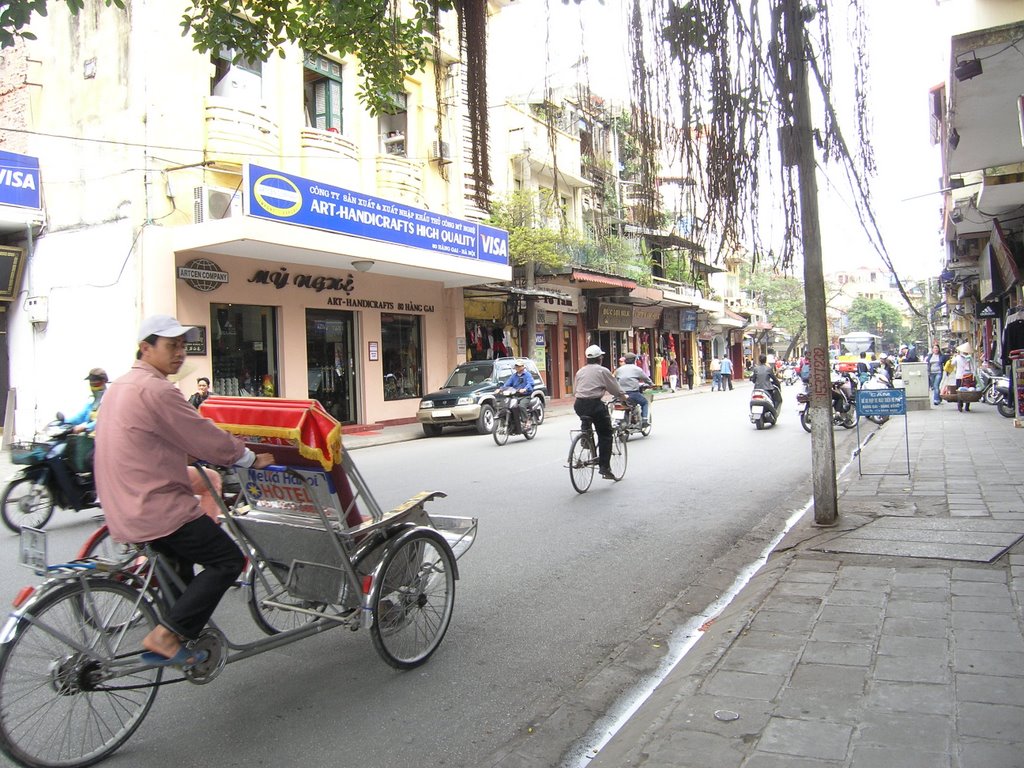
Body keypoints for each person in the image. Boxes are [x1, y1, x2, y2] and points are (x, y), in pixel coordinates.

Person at [95, 315, 275, 667]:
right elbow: (200, 432)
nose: (179, 352)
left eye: (181, 345)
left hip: (123, 504)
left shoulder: (121, 386)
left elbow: (156, 439)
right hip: (153, 506)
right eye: (170, 345)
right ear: (146, 348)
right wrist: (249, 458)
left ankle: (176, 638)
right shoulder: (156, 389)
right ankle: (166, 635)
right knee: (227, 560)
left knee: (179, 567)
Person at [573, 345, 628, 480]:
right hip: (595, 404)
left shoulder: (580, 371)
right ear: (600, 358)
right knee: (605, 434)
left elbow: (575, 390)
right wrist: (624, 399)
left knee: (586, 419)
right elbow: (615, 389)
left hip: (579, 404)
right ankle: (604, 467)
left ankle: (586, 436)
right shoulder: (603, 371)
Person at [614, 352, 653, 426]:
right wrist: (651, 384)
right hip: (633, 393)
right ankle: (644, 419)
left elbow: (615, 380)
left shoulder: (619, 370)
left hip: (621, 394)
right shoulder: (637, 369)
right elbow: (646, 379)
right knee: (645, 403)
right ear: (634, 360)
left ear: (625, 360)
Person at [66, 368, 108, 435]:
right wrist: (65, 421)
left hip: (104, 438)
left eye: (95, 381)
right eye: (91, 381)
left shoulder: (110, 398)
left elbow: (105, 420)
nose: (92, 383)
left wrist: (86, 427)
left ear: (104, 381)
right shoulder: (92, 400)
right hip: (89, 438)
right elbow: (80, 416)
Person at [501, 361, 534, 430]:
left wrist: (525, 389)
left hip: (525, 396)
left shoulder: (527, 375)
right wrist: (501, 389)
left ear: (522, 367)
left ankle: (526, 421)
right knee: (508, 406)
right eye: (516, 366)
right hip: (515, 396)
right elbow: (507, 384)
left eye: (519, 366)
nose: (517, 368)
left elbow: (530, 383)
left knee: (521, 406)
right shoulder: (514, 376)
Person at [953, 342, 975, 412]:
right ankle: (967, 406)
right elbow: (973, 367)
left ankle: (960, 405)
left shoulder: (957, 357)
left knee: (959, 391)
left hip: (959, 376)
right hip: (968, 376)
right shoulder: (970, 357)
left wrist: (954, 356)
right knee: (968, 391)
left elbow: (952, 363)